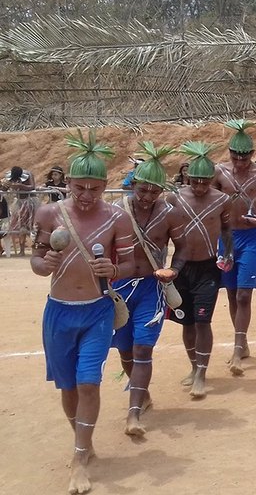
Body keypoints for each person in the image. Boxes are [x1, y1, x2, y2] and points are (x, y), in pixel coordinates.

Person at [30, 129, 136, 495]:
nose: (87, 196)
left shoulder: (117, 218)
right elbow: (36, 259)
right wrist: (45, 264)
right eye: (81, 188)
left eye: (95, 188)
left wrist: (114, 270)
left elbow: (132, 262)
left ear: (105, 186)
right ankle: (83, 441)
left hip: (97, 312)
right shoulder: (48, 213)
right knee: (68, 386)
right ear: (69, 183)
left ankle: (78, 459)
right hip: (58, 312)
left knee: (89, 382)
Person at [111, 142, 185, 435]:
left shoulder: (169, 214)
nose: (147, 197)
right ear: (134, 185)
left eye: (154, 192)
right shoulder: (117, 211)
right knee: (125, 350)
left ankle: (133, 414)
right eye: (143, 190)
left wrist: (174, 270)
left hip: (152, 289)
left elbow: (182, 249)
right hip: (119, 287)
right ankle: (143, 396)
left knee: (143, 348)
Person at [212, 119, 256, 376]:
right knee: (230, 293)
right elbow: (210, 202)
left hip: (250, 237)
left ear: (252, 155)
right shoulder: (219, 172)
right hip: (227, 238)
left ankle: (238, 346)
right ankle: (242, 340)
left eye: (244, 157)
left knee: (243, 294)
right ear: (229, 153)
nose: (239, 162)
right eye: (235, 156)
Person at [168, 141, 233, 397]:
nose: (199, 187)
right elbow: (164, 230)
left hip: (208, 267)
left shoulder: (222, 200)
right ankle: (194, 366)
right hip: (181, 267)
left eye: (205, 182)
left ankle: (202, 373)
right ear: (187, 176)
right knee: (187, 322)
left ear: (212, 180)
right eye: (195, 181)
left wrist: (227, 253)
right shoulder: (175, 197)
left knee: (203, 321)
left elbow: (227, 231)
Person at [2, 166, 38, 255]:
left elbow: (32, 187)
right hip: (19, 203)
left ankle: (36, 249)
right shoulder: (10, 177)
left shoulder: (29, 174)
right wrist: (4, 186)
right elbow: (4, 189)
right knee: (21, 226)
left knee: (33, 226)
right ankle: (22, 250)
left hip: (30, 202)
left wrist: (21, 186)